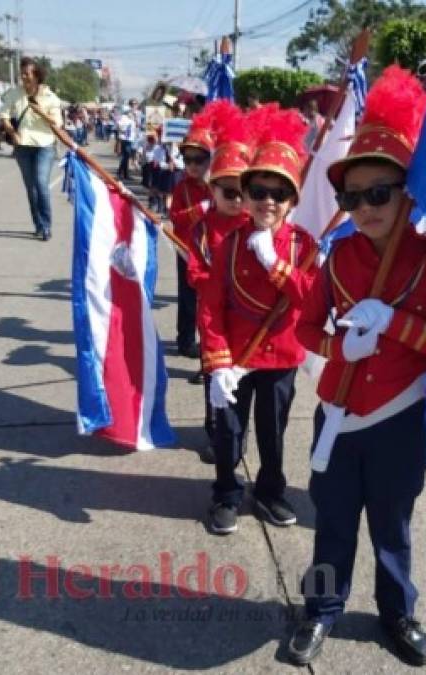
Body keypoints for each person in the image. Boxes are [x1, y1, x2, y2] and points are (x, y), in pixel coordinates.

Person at [287, 66, 426, 668]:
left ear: (408, 189)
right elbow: (304, 328)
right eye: (351, 197)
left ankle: (397, 613)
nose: (364, 208)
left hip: (397, 420)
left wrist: (399, 327)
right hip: (337, 415)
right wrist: (341, 349)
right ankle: (320, 612)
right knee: (331, 525)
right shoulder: (336, 260)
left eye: (378, 193)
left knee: (392, 529)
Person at [199, 103, 317, 536]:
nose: (268, 201)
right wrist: (217, 363)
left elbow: (311, 298)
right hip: (235, 358)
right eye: (259, 191)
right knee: (228, 434)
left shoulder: (304, 247)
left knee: (273, 433)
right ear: (245, 195)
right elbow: (210, 304)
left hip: (280, 357)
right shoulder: (229, 244)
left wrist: (275, 264)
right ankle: (226, 493)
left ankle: (268, 491)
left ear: (292, 200)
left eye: (279, 193)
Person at [186, 100, 252, 465]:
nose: (237, 200)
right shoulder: (203, 229)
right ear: (212, 191)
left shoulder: (255, 227)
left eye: (244, 192)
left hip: (247, 322)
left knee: (243, 383)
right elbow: (195, 272)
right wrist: (218, 283)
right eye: (227, 192)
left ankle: (237, 434)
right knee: (216, 379)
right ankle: (215, 432)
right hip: (213, 319)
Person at [169, 109, 215, 360]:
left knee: (208, 300)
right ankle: (185, 339)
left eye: (199, 159)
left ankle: (209, 341)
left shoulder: (218, 185)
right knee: (187, 298)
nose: (193, 166)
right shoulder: (180, 187)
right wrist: (199, 210)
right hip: (186, 249)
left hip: (212, 251)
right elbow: (175, 218)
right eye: (188, 160)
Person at [0, 56, 63, 241]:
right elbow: (3, 115)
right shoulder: (15, 93)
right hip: (23, 147)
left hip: (45, 146)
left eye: (27, 73)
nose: (24, 77)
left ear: (37, 76)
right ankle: (38, 224)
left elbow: (57, 123)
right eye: (22, 73)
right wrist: (12, 133)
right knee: (31, 188)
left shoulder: (50, 97)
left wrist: (41, 111)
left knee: (41, 184)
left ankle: (46, 226)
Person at [116, 105, 136, 180]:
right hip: (126, 139)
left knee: (126, 156)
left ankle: (122, 172)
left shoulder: (129, 117)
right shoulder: (124, 117)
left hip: (129, 139)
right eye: (129, 111)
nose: (130, 112)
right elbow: (119, 125)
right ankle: (123, 173)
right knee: (126, 156)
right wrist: (123, 131)